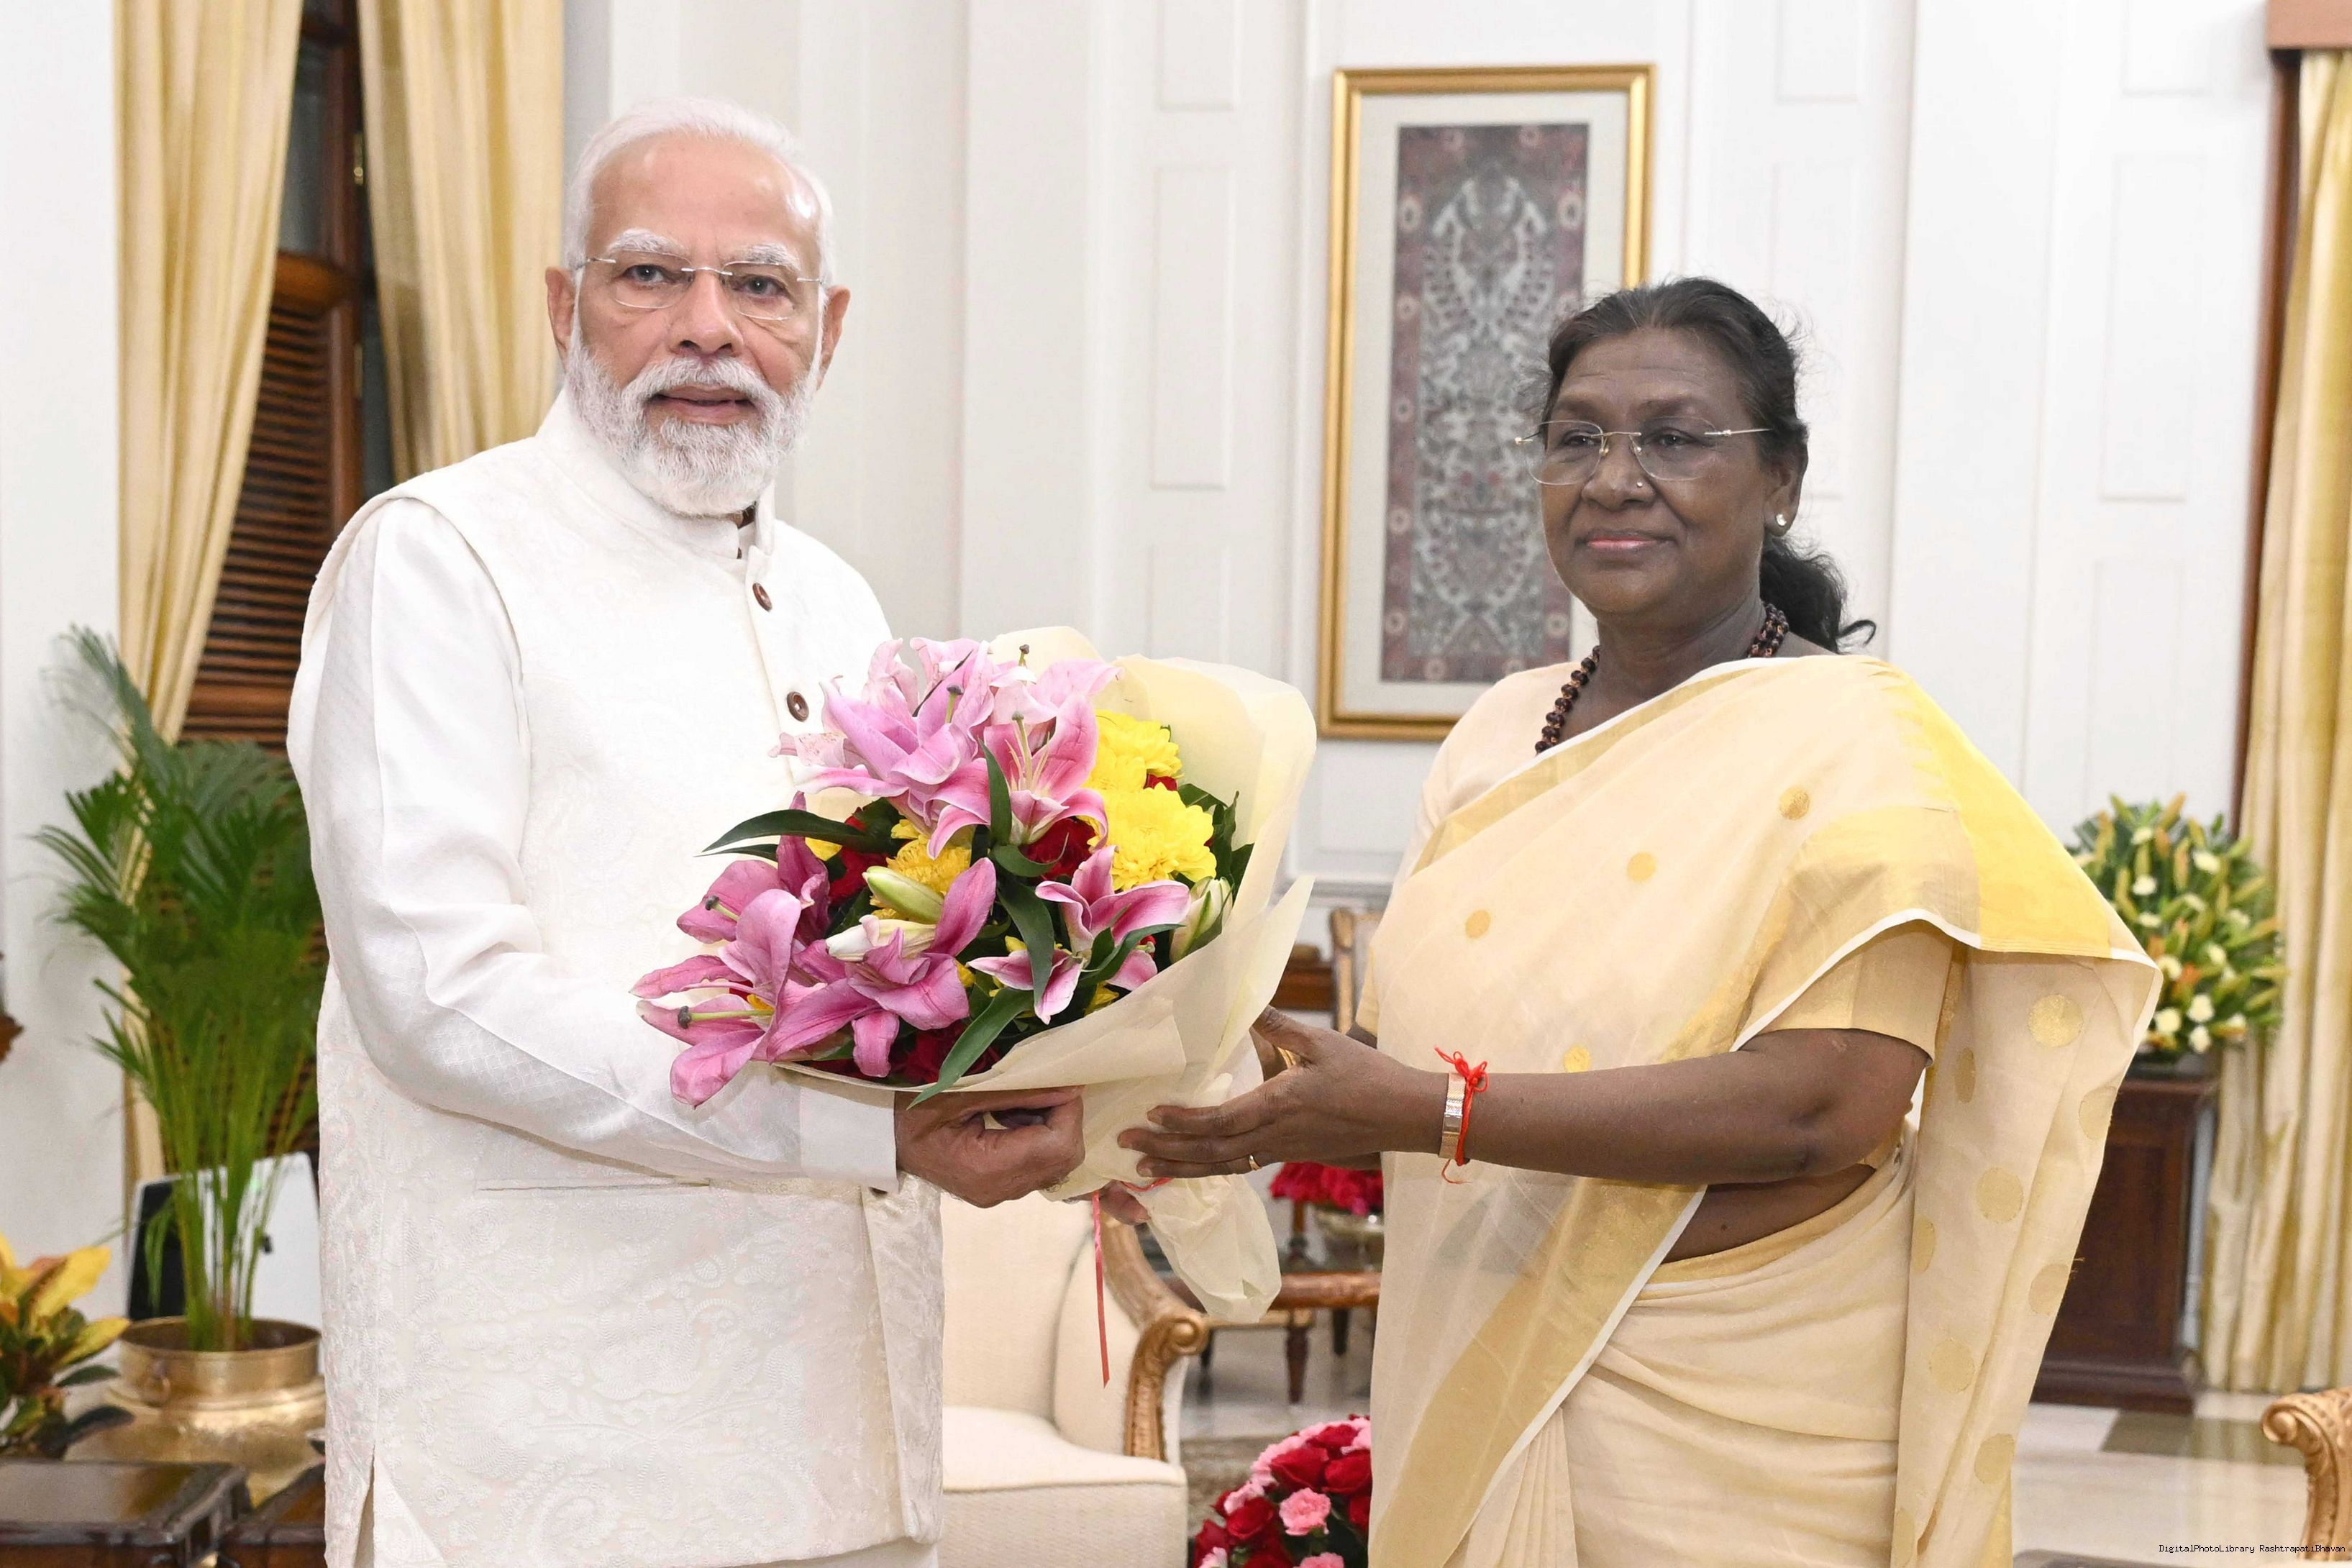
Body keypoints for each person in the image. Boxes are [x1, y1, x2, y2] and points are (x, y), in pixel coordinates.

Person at [1123, 279, 2159, 1568]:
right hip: (1479, 1335)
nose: (1614, 480)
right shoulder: (1499, 732)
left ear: (1779, 480)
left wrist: (1427, 1111)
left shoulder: (1862, 748)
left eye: (1673, 438)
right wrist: (1163, 1098)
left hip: (1749, 1405)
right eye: (1577, 439)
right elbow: (1400, 1052)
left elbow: (1821, 1109)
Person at [288, 99, 1082, 1568]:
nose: (707, 328)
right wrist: (865, 1131)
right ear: (563, 306)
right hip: (547, 1461)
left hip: (847, 1429)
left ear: (826, 330)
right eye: (650, 274)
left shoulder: (839, 598)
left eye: (761, 285)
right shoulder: (439, 558)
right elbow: (438, 997)